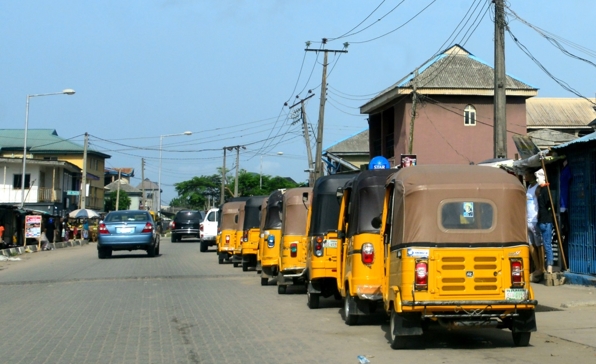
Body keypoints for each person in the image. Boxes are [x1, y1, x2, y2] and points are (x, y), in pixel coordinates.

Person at [524, 169, 544, 282]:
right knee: (531, 244)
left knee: (539, 244)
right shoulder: (528, 187)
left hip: (535, 220)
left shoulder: (537, 187)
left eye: (527, 174)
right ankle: (537, 267)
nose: (525, 176)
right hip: (528, 220)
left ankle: (542, 267)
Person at [536, 169, 554, 275]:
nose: (537, 179)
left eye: (538, 177)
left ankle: (550, 265)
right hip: (541, 221)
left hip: (546, 221)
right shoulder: (539, 190)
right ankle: (546, 265)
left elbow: (549, 205)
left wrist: (549, 211)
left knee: (547, 244)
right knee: (544, 244)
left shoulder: (546, 190)